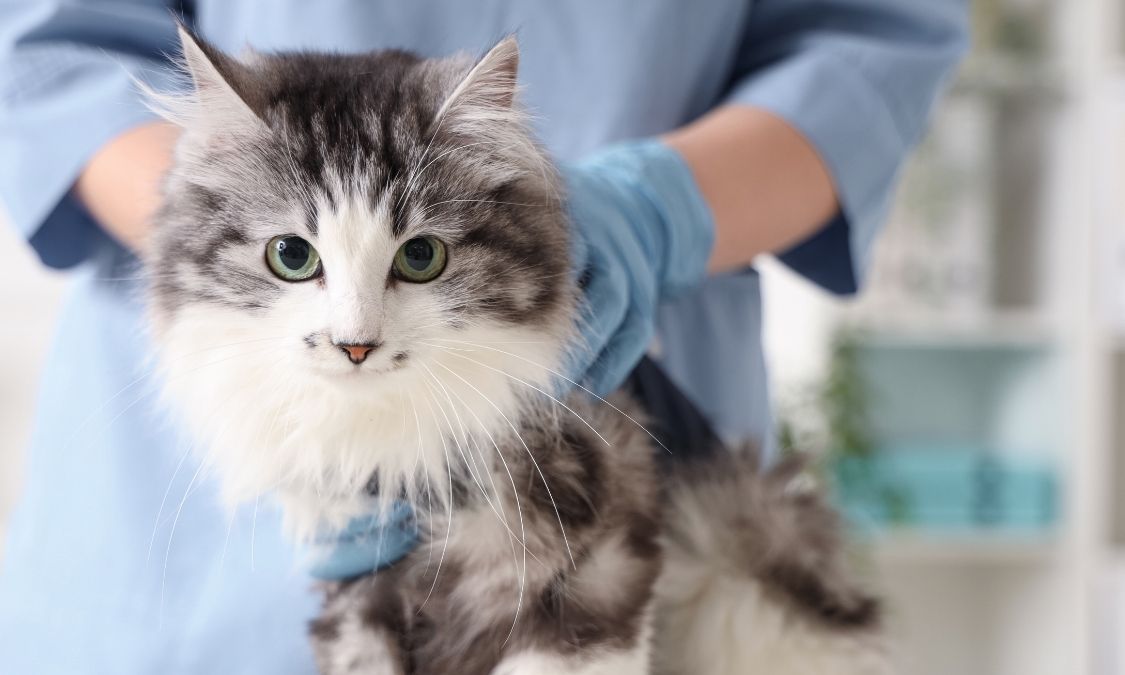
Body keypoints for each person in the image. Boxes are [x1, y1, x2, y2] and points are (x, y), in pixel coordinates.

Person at [0, 1, 967, 672]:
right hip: (184, 579)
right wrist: (236, 204)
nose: (354, 336)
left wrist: (664, 208)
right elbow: (52, 54)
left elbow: (868, 52)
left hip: (634, 401)